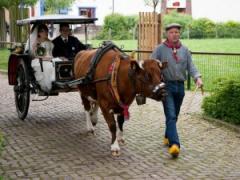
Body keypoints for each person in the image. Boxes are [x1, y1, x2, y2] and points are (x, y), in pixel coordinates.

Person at [151, 23, 203, 158]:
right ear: (167, 34)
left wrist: (197, 78)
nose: (174, 34)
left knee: (175, 115)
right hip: (166, 86)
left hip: (180, 87)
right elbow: (151, 66)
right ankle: (174, 145)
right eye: (171, 32)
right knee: (171, 115)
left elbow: (191, 66)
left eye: (177, 32)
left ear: (179, 34)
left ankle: (168, 135)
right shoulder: (159, 50)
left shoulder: (185, 50)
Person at [30, 24, 61, 93]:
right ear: (39, 33)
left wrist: (51, 58)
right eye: (43, 31)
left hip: (50, 58)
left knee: (58, 62)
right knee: (48, 66)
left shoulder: (49, 41)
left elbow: (51, 53)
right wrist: (47, 58)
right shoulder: (36, 43)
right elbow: (35, 55)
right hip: (39, 60)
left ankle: (59, 82)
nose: (46, 33)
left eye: (47, 31)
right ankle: (49, 84)